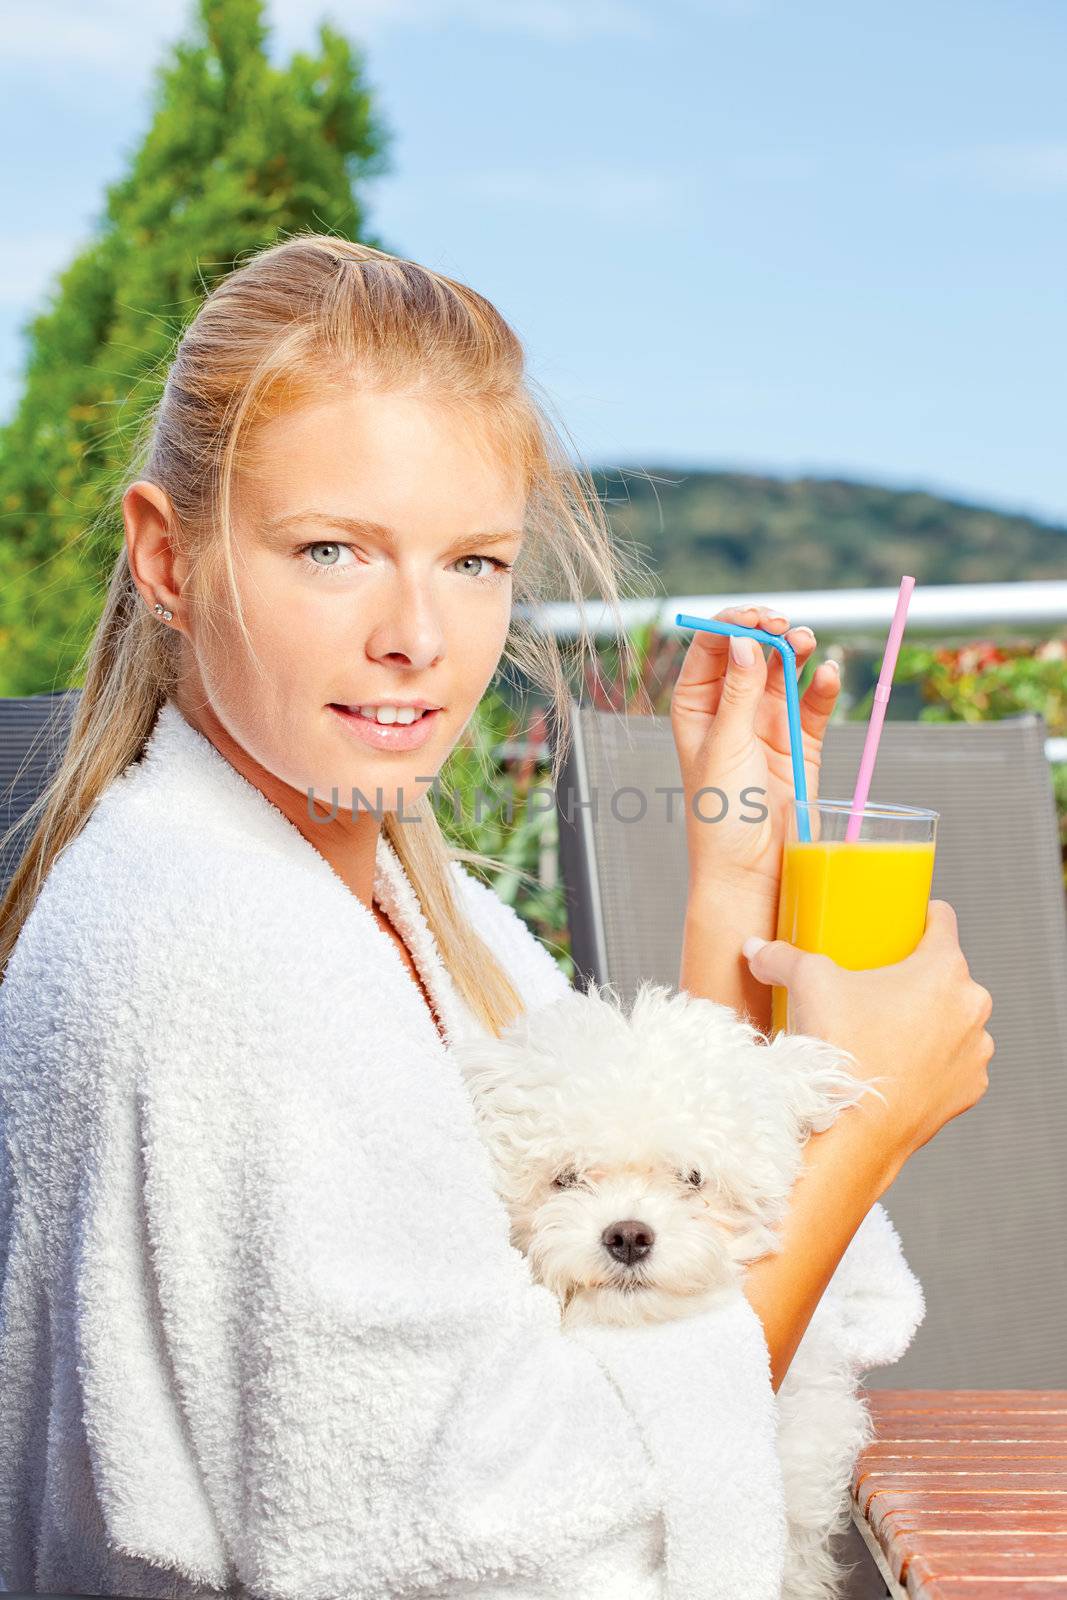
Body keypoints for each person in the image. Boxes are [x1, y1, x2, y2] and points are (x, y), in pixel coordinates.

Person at [0, 235, 993, 1600]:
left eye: (473, 562)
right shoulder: (222, 959)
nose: (418, 634)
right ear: (168, 558)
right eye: (335, 550)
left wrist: (728, 885)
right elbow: (485, 1536)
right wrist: (868, 1128)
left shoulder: (391, 885)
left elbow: (632, 1227)